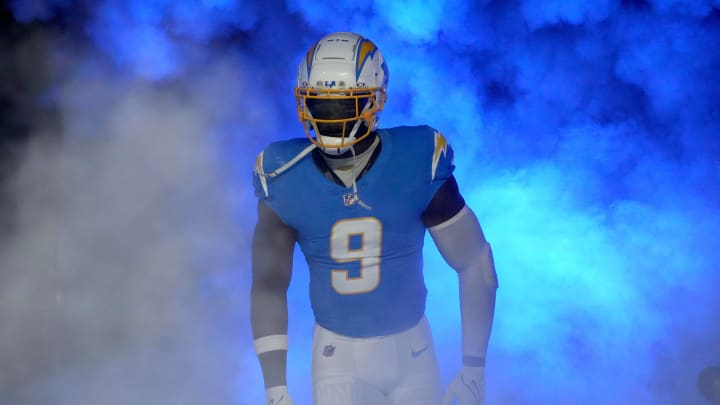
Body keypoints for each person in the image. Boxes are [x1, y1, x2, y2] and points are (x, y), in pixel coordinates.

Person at [250, 31, 498, 405]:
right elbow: (268, 285)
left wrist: (474, 368)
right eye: (321, 104)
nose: (331, 118)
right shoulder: (283, 175)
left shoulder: (416, 161)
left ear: (375, 99)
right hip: (339, 356)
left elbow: (475, 262)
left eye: (345, 105)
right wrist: (275, 388)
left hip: (413, 351)